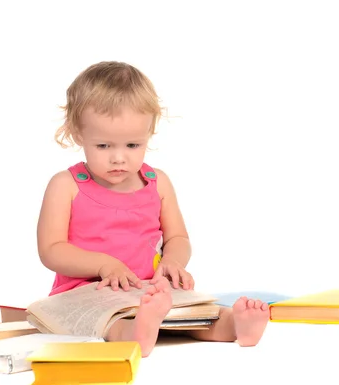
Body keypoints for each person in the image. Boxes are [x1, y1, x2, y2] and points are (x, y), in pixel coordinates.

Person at [36, 61, 270, 357]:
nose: (118, 158)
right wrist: (103, 265)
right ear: (77, 133)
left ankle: (235, 325)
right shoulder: (66, 185)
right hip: (88, 291)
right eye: (104, 146)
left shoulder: (157, 183)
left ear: (150, 132)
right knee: (113, 323)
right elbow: (51, 250)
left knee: (200, 312)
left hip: (151, 289)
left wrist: (173, 262)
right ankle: (136, 333)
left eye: (132, 145)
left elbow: (178, 239)